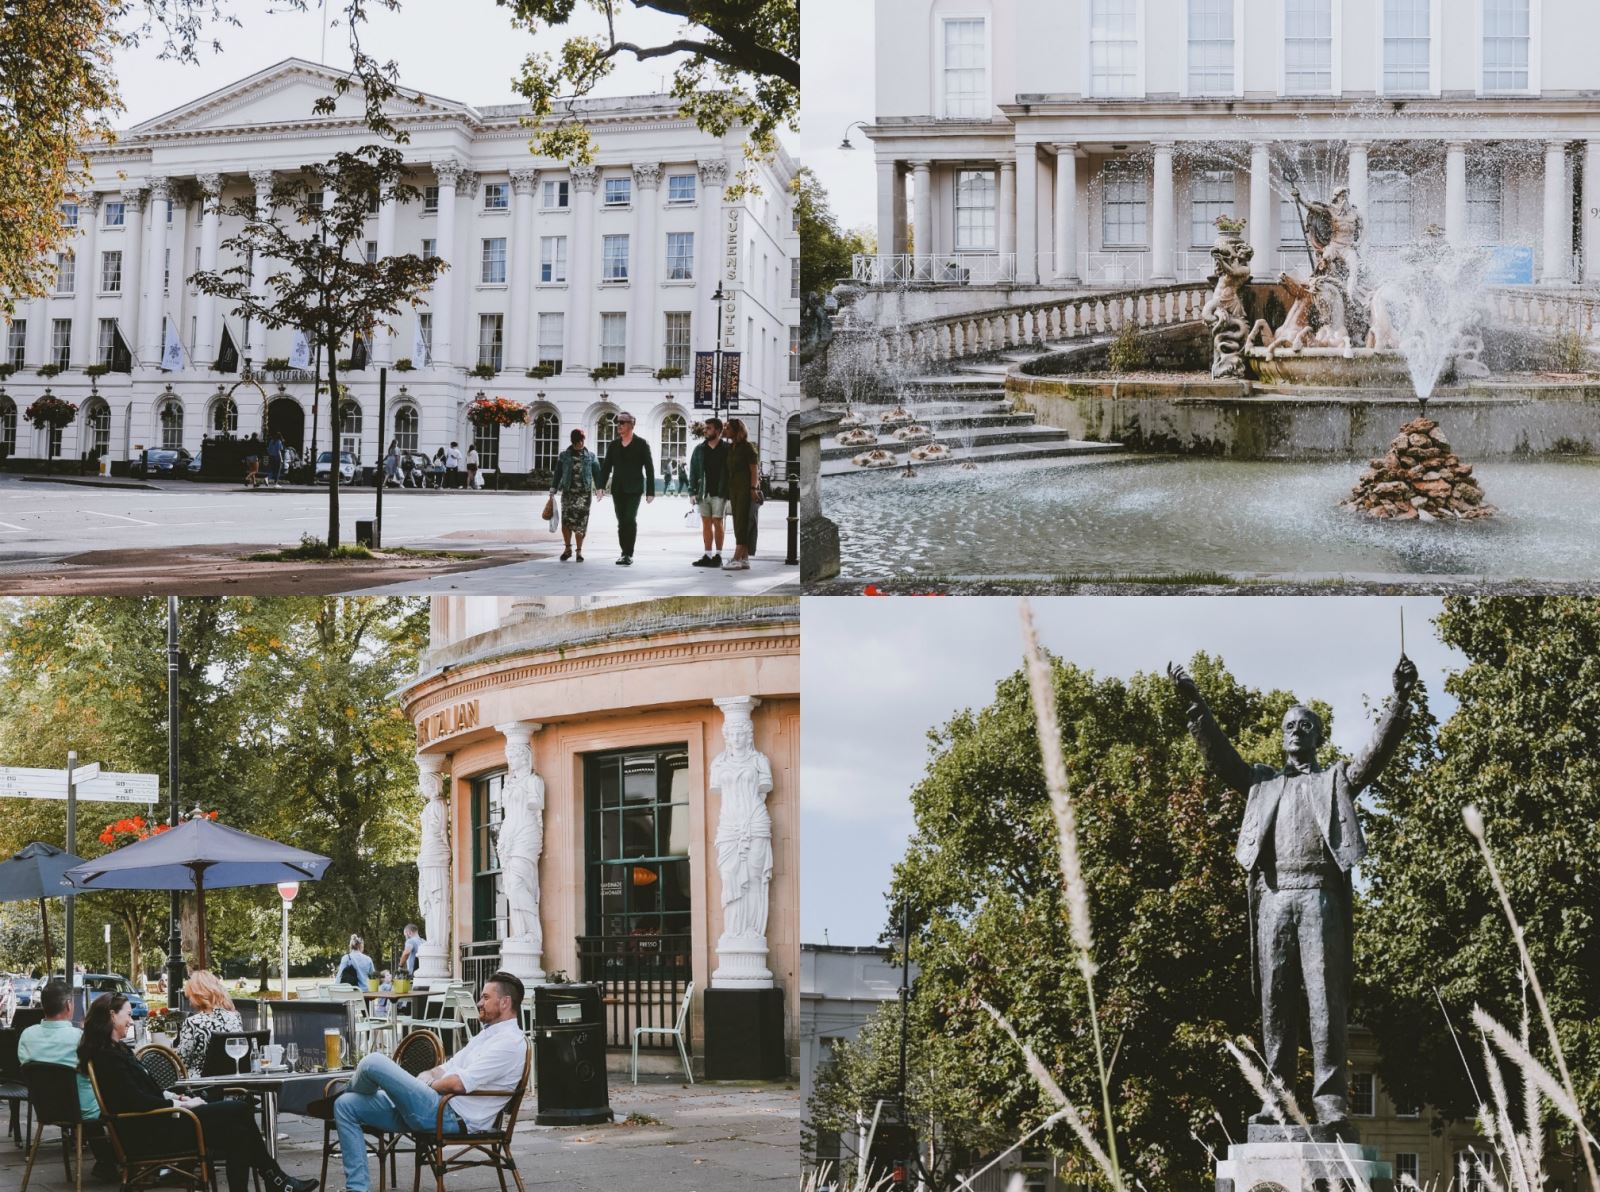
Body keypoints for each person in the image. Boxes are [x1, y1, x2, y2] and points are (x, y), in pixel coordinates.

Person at [1169, 655, 1417, 1129]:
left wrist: (1400, 700)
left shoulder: (1333, 780)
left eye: (1305, 725)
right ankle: (1278, 1101)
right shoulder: (1261, 783)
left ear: (1318, 736)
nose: (1296, 731)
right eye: (1289, 725)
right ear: (1281, 735)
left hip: (1319, 897)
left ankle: (1330, 1104)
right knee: (1274, 1000)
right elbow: (1221, 756)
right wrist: (1196, 705)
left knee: (1326, 1000)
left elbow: (1375, 755)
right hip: (1274, 898)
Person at [80, 993, 317, 1192]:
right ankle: (275, 1178)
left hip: (158, 1122)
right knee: (241, 1109)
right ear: (112, 1016)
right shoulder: (108, 1057)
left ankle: (275, 1179)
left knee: (237, 1131)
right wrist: (182, 1106)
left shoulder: (115, 1051)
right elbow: (135, 1100)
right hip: (152, 1132)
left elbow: (140, 1094)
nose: (131, 1021)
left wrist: (175, 1098)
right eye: (128, 1015)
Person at [325, 972, 527, 1192]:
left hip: (451, 1116)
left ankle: (346, 1090)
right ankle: (357, 1189)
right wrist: (427, 1077)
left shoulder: (509, 1043)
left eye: (486, 997)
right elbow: (445, 1068)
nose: (479, 1002)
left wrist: (425, 1086)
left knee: (373, 1062)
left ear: (505, 1002)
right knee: (346, 1105)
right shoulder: (485, 1036)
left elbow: (458, 1083)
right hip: (433, 1106)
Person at [19, 978, 114, 1177]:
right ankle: (120, 1158)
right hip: (83, 1110)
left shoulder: (27, 1036)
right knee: (117, 1096)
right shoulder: (78, 1037)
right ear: (69, 1005)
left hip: (45, 1108)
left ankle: (107, 1161)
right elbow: (99, 1070)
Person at [597, 412, 655, 566]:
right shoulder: (613, 445)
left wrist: (650, 491)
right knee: (621, 522)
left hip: (634, 489)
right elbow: (606, 467)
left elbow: (649, 468)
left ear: (631, 425)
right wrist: (601, 486)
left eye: (622, 422)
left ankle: (628, 553)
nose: (619, 425)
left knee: (630, 519)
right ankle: (623, 552)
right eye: (618, 422)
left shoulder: (642, 444)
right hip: (618, 489)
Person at [174, 969, 244, 1074]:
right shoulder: (235, 1017)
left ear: (197, 995)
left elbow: (181, 1062)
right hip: (232, 1081)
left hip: (200, 1085)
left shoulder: (193, 1022)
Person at [549, 428, 602, 563]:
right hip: (568, 493)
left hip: (584, 495)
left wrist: (599, 488)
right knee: (566, 521)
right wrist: (553, 488)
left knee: (581, 522)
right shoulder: (564, 456)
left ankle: (579, 551)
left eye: (582, 440)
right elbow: (558, 473)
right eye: (578, 441)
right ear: (573, 441)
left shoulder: (591, 456)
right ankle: (567, 549)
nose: (580, 443)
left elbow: (597, 473)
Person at [688, 417, 731, 568]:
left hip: (719, 492)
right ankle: (707, 555)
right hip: (703, 492)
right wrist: (692, 492)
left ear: (718, 431)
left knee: (717, 522)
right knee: (706, 523)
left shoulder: (727, 448)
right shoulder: (700, 449)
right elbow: (693, 471)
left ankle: (718, 556)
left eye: (709, 428)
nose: (705, 431)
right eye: (705, 428)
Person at [723, 417, 759, 571]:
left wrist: (753, 489)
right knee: (737, 521)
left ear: (737, 431)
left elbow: (754, 470)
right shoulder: (731, 447)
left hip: (745, 489)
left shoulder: (747, 447)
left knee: (743, 523)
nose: (725, 430)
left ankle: (737, 557)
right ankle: (744, 558)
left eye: (728, 428)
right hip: (734, 489)